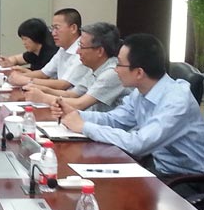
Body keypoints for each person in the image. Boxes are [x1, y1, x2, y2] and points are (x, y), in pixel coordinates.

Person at [59, 33, 204, 176]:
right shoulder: (140, 92)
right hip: (157, 166)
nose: (115, 69)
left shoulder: (176, 101)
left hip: (186, 178)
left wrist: (84, 127)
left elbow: (139, 144)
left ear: (139, 72)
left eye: (119, 64)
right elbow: (114, 120)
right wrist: (77, 115)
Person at [25, 22, 129, 112]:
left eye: (82, 46)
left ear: (100, 51)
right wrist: (42, 89)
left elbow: (80, 104)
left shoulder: (112, 73)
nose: (77, 51)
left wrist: (43, 98)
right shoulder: (93, 67)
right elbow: (71, 95)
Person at [7, 8, 91, 90]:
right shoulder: (63, 49)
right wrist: (17, 77)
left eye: (57, 28)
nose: (53, 33)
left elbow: (63, 84)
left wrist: (27, 80)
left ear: (73, 28)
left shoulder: (82, 51)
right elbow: (43, 73)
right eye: (52, 28)